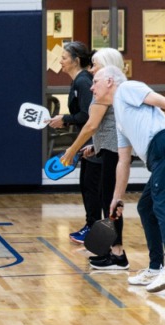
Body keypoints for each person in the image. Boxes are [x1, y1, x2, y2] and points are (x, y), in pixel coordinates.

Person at [92, 65, 165, 293]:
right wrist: (117, 199)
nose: (92, 87)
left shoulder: (127, 89)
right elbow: (123, 161)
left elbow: (164, 101)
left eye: (95, 81)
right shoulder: (120, 117)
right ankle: (155, 267)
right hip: (158, 155)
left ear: (110, 81)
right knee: (146, 207)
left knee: (162, 203)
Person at [60, 48, 128, 271]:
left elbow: (91, 125)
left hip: (114, 152)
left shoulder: (105, 90)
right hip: (107, 149)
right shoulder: (112, 88)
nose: (91, 69)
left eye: (95, 65)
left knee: (111, 201)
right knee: (108, 199)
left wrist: (72, 150)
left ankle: (118, 254)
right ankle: (112, 250)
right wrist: (94, 147)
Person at [48, 41, 103, 245]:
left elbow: (89, 115)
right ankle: (92, 227)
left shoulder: (83, 81)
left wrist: (65, 118)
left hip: (94, 142)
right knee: (87, 186)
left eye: (64, 57)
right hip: (86, 141)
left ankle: (94, 229)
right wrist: (64, 121)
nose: (60, 61)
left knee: (91, 187)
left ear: (76, 60)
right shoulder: (78, 81)